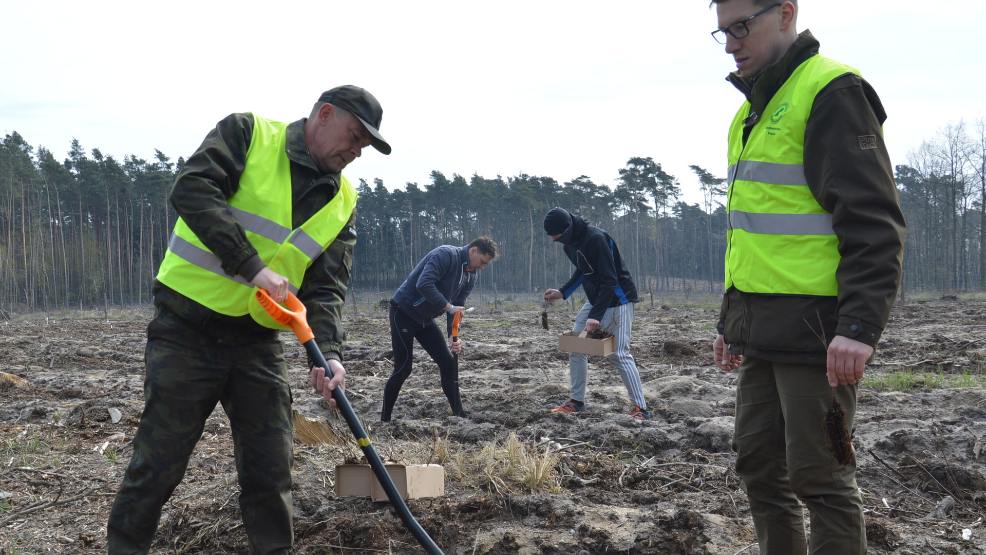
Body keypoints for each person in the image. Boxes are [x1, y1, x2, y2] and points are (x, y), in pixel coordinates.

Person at [107, 85, 392, 554]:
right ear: (324, 115)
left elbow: (325, 287)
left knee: (270, 468)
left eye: (366, 145)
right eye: (355, 136)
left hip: (256, 341)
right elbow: (192, 189)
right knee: (158, 464)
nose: (357, 151)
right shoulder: (248, 134)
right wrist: (251, 265)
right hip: (186, 329)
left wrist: (329, 354)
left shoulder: (343, 201)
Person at [708, 1, 905, 553]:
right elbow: (751, 233)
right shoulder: (748, 114)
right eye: (722, 32)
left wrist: (859, 328)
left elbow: (874, 222)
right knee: (760, 472)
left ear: (786, 13)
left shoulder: (832, 92)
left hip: (819, 337)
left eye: (741, 27)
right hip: (762, 334)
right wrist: (732, 320)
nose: (731, 44)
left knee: (822, 479)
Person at [542, 207, 650, 421]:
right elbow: (583, 271)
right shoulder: (569, 245)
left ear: (568, 228)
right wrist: (563, 292)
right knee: (576, 347)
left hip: (619, 300)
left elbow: (610, 280)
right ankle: (576, 402)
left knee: (619, 353)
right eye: (555, 239)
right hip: (596, 300)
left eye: (560, 237)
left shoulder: (596, 239)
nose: (559, 242)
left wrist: (596, 316)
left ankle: (641, 408)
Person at [381, 236, 498, 422]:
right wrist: (448, 306)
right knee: (404, 367)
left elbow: (457, 306)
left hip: (425, 319)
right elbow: (424, 284)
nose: (482, 267)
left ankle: (459, 415)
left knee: (448, 363)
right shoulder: (446, 255)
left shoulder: (470, 275)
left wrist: (454, 336)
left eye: (485, 265)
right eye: (482, 262)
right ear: (473, 250)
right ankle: (384, 420)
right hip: (403, 312)